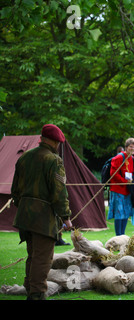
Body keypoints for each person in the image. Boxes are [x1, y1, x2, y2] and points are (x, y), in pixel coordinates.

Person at [11, 124, 73, 300]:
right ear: (54, 142)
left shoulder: (24, 158)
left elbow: (15, 190)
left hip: (24, 216)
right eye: (58, 143)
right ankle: (36, 294)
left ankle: (30, 288)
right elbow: (59, 192)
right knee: (42, 258)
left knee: (32, 255)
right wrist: (66, 217)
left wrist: (24, 206)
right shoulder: (53, 160)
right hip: (43, 218)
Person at [108, 137, 134, 236]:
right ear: (126, 147)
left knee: (126, 213)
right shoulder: (119, 157)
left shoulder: (132, 158)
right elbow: (113, 173)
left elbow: (131, 172)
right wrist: (124, 181)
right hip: (118, 189)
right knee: (119, 214)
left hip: (127, 189)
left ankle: (123, 235)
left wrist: (131, 180)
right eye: (130, 147)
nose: (132, 149)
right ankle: (118, 236)